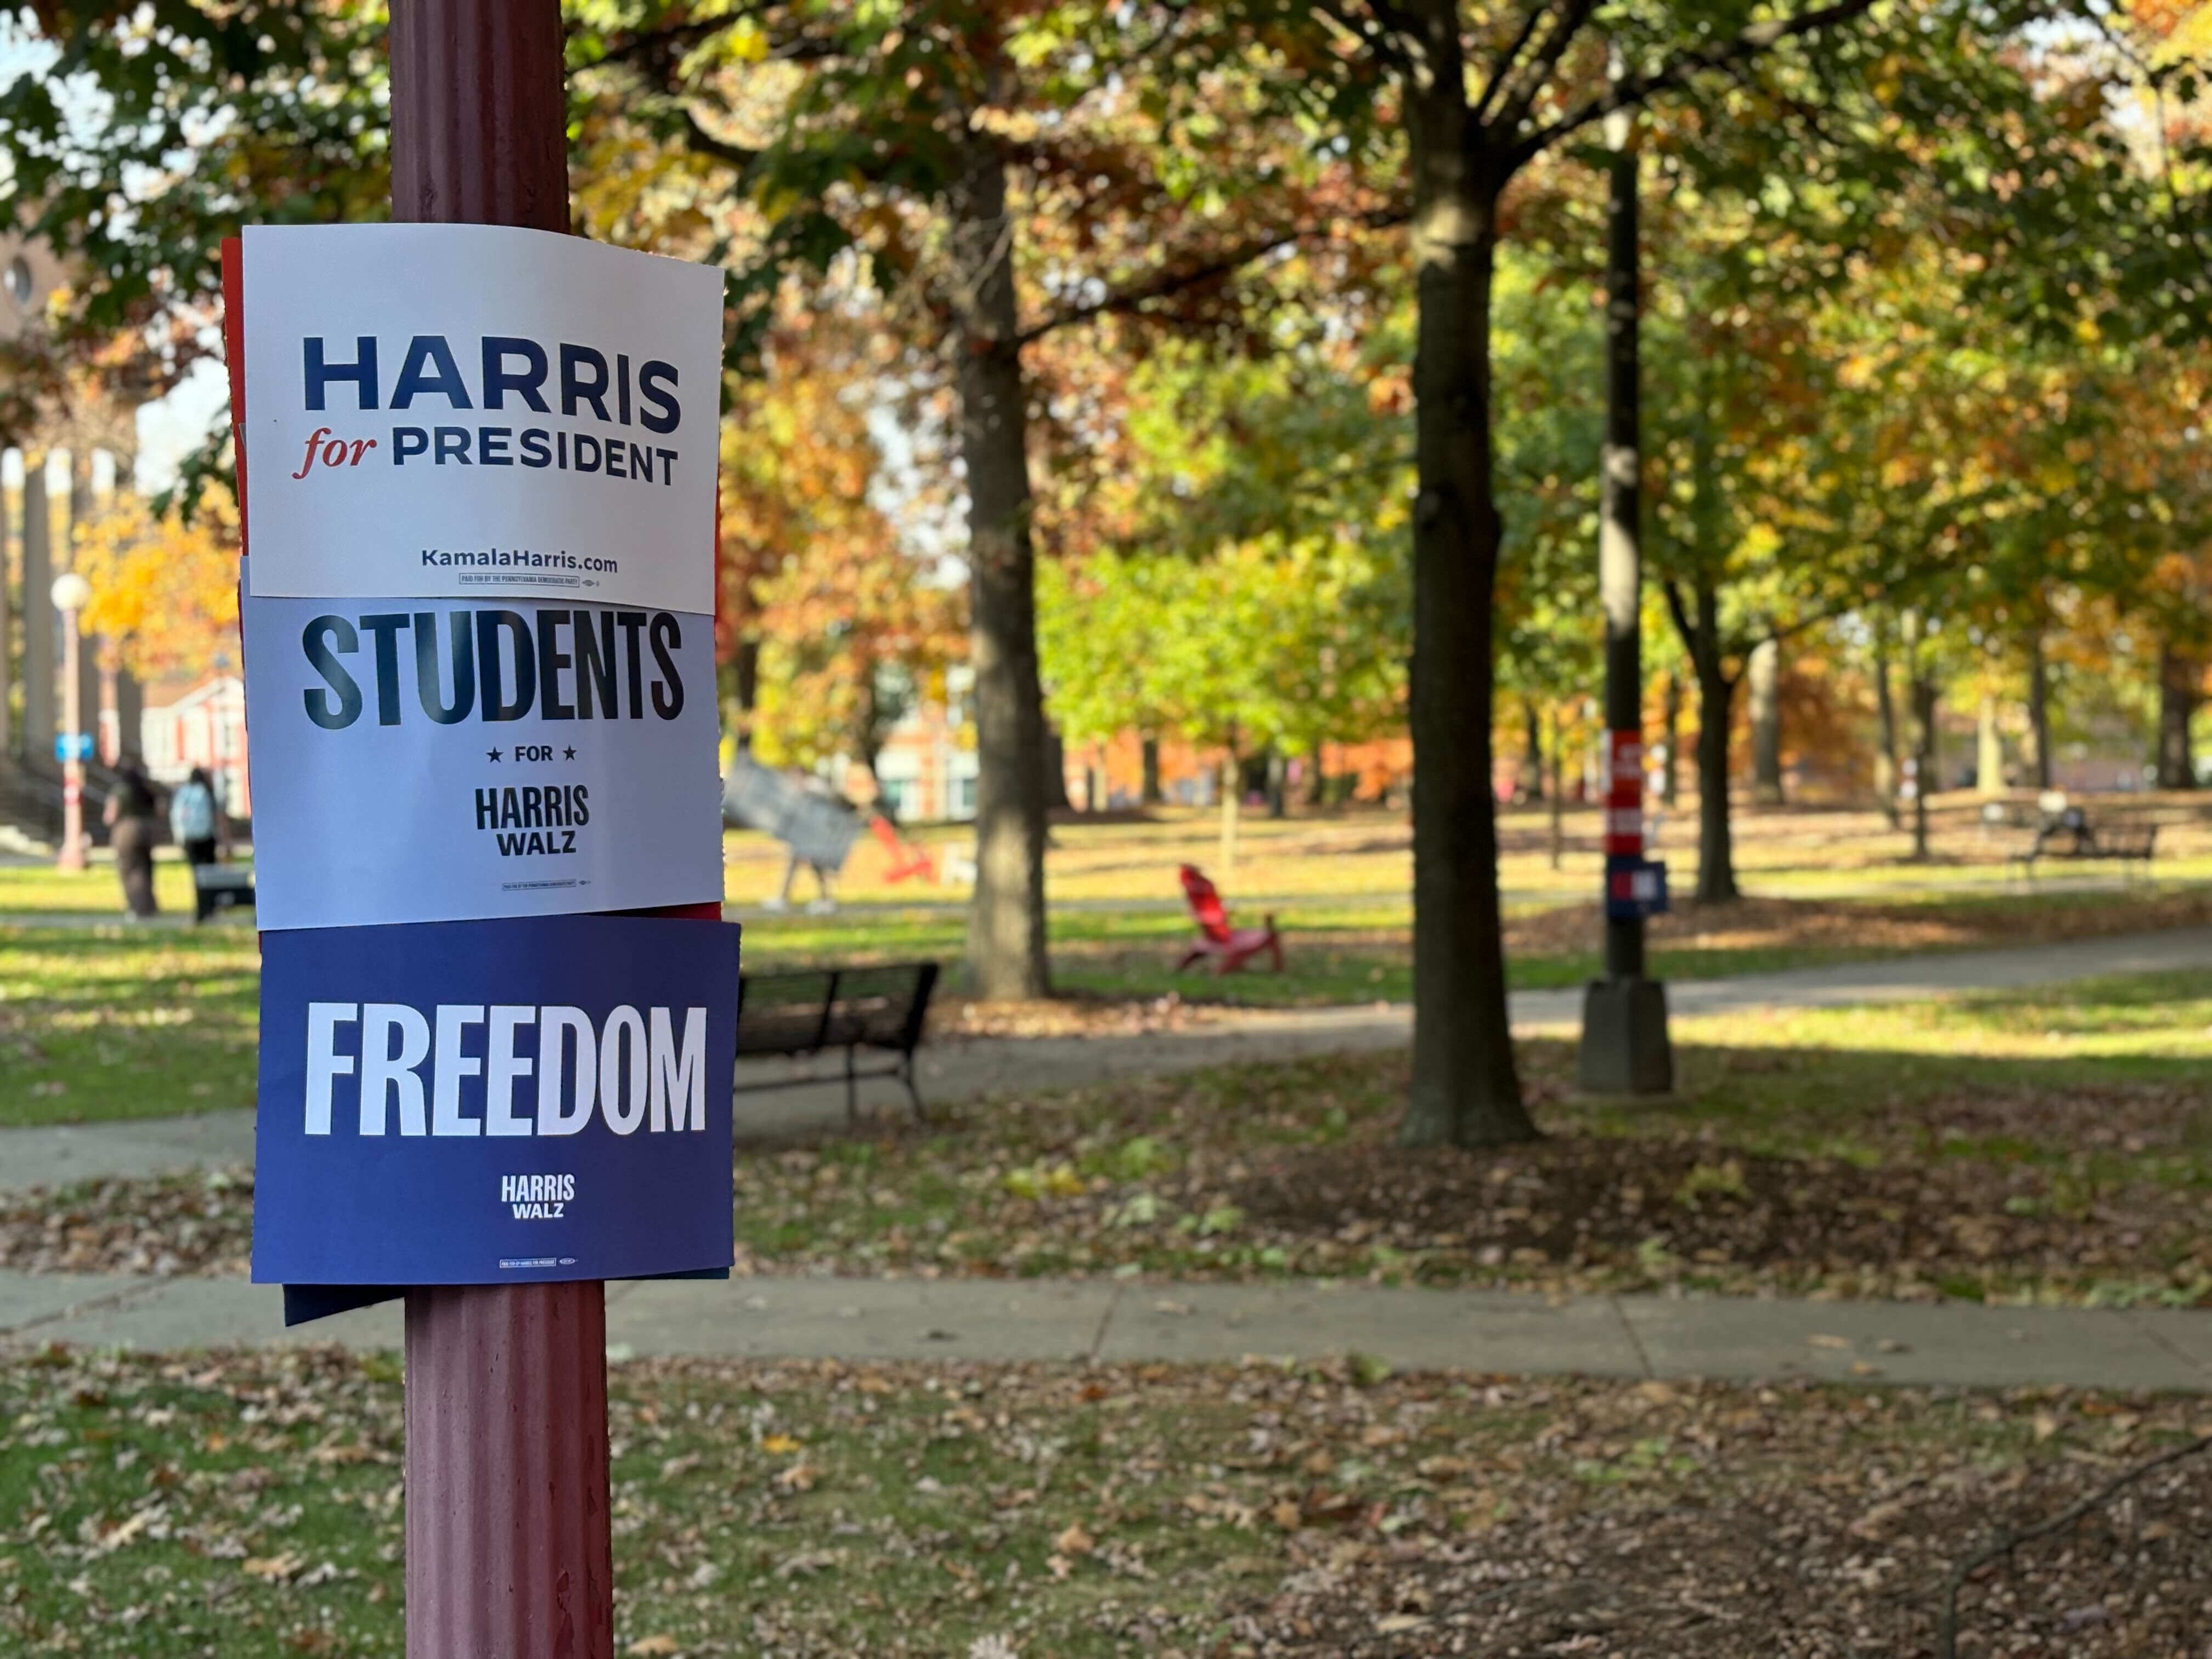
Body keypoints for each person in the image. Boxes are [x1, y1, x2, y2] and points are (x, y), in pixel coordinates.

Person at [103, 758, 160, 920]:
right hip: (147, 831)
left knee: (130, 870)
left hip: (126, 831)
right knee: (146, 868)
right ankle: (150, 906)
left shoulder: (120, 791)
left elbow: (111, 814)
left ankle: (137, 907)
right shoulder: (146, 790)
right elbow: (158, 810)